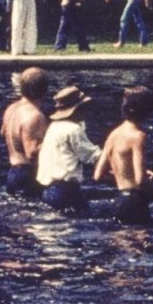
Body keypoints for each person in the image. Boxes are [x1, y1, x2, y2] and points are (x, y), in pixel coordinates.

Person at [93, 85, 153, 225]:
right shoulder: (138, 136)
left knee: (121, 237)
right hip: (135, 201)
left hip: (119, 200)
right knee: (142, 237)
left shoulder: (113, 134)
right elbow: (140, 180)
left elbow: (98, 175)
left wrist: (123, 174)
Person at [35, 84, 100, 212]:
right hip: (66, 191)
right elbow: (92, 156)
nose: (86, 112)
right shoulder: (73, 129)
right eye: (84, 108)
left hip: (48, 190)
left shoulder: (54, 126)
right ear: (77, 109)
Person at [0, 66, 50, 198]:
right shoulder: (35, 115)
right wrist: (54, 140)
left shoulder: (11, 109)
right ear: (44, 90)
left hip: (12, 172)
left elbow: (3, 132)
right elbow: (31, 153)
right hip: (28, 175)